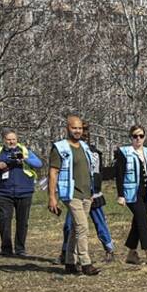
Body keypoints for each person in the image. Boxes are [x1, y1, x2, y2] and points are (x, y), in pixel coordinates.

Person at [47, 113, 101, 276]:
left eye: (79, 128)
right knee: (83, 227)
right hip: (71, 193)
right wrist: (52, 197)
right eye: (74, 128)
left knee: (75, 229)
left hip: (86, 193)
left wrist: (93, 191)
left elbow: (91, 170)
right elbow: (53, 173)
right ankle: (86, 263)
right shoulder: (60, 148)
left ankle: (70, 262)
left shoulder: (84, 147)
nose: (77, 131)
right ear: (67, 128)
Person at [61, 121, 116, 263]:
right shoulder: (67, 150)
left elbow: (97, 173)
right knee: (70, 226)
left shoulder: (94, 152)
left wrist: (95, 190)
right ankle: (65, 252)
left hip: (93, 194)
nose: (83, 134)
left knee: (100, 224)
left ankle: (109, 249)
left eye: (85, 131)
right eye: (80, 130)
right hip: (75, 194)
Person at [0, 128, 43, 257]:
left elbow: (39, 164)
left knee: (22, 221)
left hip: (24, 191)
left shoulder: (25, 150)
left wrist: (25, 159)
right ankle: (6, 249)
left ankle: (20, 249)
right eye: (8, 140)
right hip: (3, 191)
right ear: (4, 140)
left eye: (14, 139)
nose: (11, 142)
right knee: (4, 220)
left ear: (17, 140)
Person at [114, 124, 147, 264]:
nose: (138, 139)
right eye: (135, 136)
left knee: (138, 222)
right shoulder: (124, 152)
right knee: (143, 221)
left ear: (145, 137)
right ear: (131, 137)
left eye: (141, 136)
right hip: (131, 193)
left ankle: (131, 254)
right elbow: (119, 175)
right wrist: (120, 195)